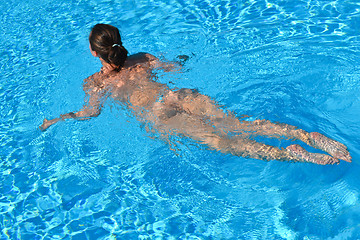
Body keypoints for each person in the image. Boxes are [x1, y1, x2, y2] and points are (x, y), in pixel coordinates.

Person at [40, 23, 352, 165]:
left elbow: (90, 113)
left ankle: (290, 154)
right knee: (238, 122)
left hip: (159, 115)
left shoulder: (95, 83)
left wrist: (56, 119)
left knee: (224, 143)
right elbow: (175, 68)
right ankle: (307, 135)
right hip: (175, 95)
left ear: (96, 54)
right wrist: (183, 59)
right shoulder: (143, 58)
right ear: (120, 43)